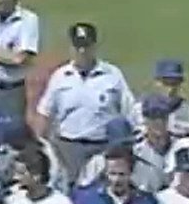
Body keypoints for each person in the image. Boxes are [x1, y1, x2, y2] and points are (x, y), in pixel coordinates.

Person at [37, 22, 136, 182]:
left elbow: (129, 109)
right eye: (78, 47)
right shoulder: (60, 76)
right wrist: (40, 146)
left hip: (102, 147)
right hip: (68, 148)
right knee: (69, 189)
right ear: (71, 47)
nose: (82, 51)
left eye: (86, 46)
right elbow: (45, 112)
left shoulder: (112, 74)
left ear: (94, 46)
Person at [78, 116, 167, 193]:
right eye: (118, 145)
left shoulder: (146, 167)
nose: (122, 150)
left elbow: (156, 191)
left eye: (126, 144)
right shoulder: (97, 163)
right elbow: (82, 190)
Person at [130, 59, 189, 139]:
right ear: (156, 82)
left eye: (174, 84)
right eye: (166, 83)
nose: (170, 89)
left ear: (181, 83)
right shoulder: (139, 109)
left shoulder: (188, 110)